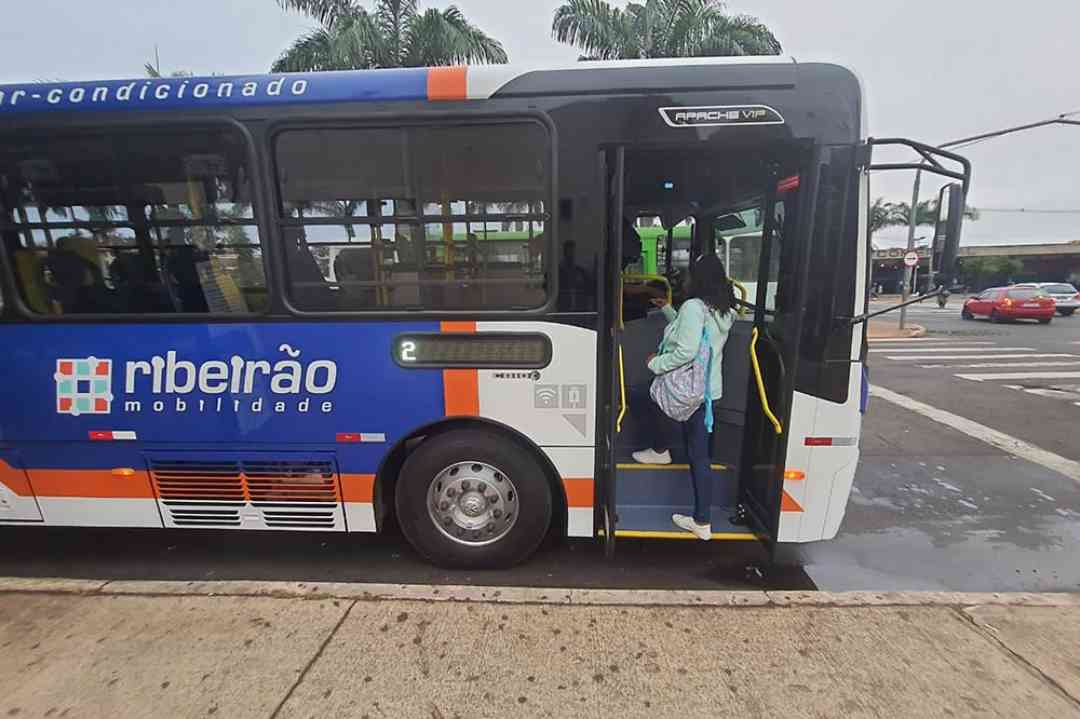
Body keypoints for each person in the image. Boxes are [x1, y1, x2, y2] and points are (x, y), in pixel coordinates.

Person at [630, 254, 737, 540]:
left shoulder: (693, 306)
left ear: (698, 278)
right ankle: (701, 519)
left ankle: (661, 450)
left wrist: (655, 364)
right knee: (698, 455)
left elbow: (687, 350)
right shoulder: (724, 310)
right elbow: (695, 332)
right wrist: (667, 310)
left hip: (688, 387)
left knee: (647, 395)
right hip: (707, 392)